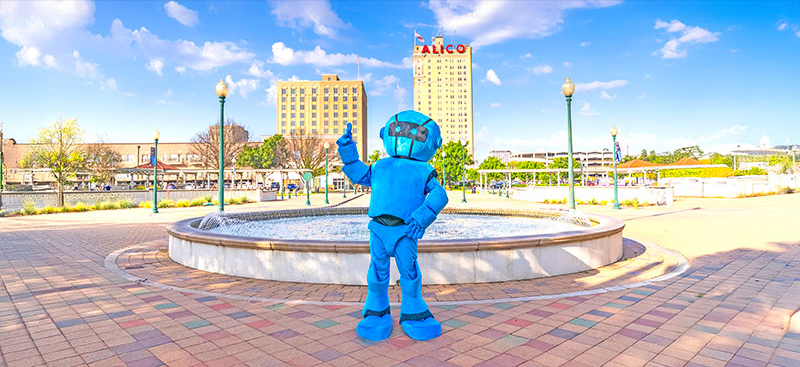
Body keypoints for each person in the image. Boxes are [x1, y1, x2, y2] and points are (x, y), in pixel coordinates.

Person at [337, 111, 447, 341]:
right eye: (399, 129)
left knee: (409, 270)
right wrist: (347, 151)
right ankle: (376, 310)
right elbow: (358, 172)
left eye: (418, 133)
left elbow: (439, 194)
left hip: (406, 229)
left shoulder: (423, 170)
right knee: (377, 271)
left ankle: (413, 309)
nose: (407, 135)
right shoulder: (379, 166)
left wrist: (421, 218)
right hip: (378, 228)